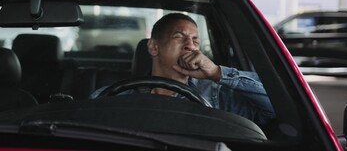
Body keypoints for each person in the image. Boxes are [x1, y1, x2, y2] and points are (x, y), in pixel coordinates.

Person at [92, 13, 275, 128]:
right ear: (154, 47)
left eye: (196, 41)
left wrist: (217, 73)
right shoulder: (115, 96)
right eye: (179, 37)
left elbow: (277, 105)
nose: (190, 46)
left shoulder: (218, 95)